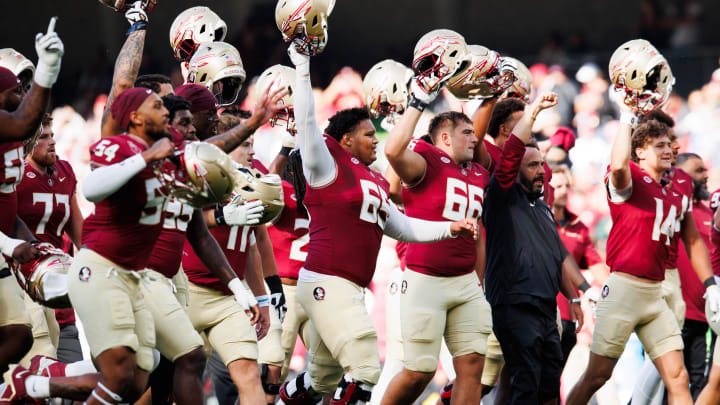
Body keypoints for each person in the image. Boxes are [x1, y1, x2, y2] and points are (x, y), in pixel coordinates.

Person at [277, 44, 476, 405]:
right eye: (368, 135)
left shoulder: (374, 179)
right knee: (366, 367)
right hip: (327, 281)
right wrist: (302, 62)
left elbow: (402, 227)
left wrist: (450, 228)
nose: (375, 140)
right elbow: (306, 122)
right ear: (345, 139)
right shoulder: (326, 163)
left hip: (347, 286)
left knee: (322, 378)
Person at [566, 103, 719, 405]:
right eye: (659, 145)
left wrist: (711, 284)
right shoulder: (630, 177)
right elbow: (619, 167)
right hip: (624, 289)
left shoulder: (676, 187)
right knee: (598, 375)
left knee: (678, 377)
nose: (668, 149)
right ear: (640, 152)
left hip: (655, 292)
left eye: (669, 143)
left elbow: (692, 240)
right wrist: (626, 117)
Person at [380, 86, 491, 404]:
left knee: (472, 366)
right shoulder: (426, 161)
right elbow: (393, 153)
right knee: (419, 371)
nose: (474, 139)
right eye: (466, 133)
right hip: (424, 278)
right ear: (444, 138)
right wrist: (417, 102)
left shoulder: (477, 173)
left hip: (466, 282)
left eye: (474, 132)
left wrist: (478, 282)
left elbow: (478, 233)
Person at [67, 87, 175, 405]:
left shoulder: (167, 149)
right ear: (136, 117)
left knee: (141, 372)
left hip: (134, 274)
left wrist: (253, 124)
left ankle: (43, 383)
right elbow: (91, 187)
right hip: (103, 268)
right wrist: (145, 158)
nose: (165, 110)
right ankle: (46, 382)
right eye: (157, 105)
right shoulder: (119, 147)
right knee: (120, 374)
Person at [483, 92, 583, 403]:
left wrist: (573, 295)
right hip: (514, 304)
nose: (541, 171)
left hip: (545, 307)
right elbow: (510, 155)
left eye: (542, 165)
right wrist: (535, 111)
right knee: (524, 386)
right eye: (532, 166)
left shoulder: (542, 208)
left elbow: (556, 255)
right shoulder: (500, 197)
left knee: (549, 388)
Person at [0, 17, 63, 383]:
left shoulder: (13, 139)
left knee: (19, 335)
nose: (24, 96)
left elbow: (6, 206)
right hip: (2, 247)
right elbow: (25, 120)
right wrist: (48, 69)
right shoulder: (13, 127)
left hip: (4, 249)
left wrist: (29, 241)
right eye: (16, 89)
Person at [16, 114, 83, 368]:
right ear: (28, 142)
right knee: (42, 364)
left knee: (74, 375)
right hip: (23, 285)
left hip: (59, 285)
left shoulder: (65, 172)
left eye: (52, 135)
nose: (51, 142)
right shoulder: (16, 176)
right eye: (43, 137)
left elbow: (80, 233)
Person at [550, 166, 609, 366]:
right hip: (544, 312)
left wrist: (612, 291)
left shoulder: (578, 226)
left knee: (552, 381)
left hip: (568, 315)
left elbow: (595, 264)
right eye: (557, 186)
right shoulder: (539, 221)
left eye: (567, 185)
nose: (564, 190)